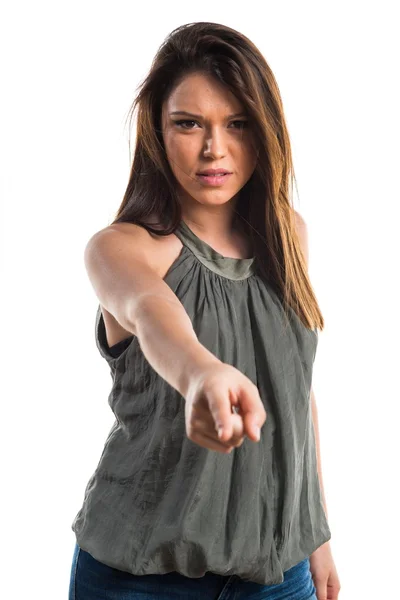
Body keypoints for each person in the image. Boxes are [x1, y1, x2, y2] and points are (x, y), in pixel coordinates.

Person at [68, 21, 341, 600]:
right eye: (189, 123)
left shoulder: (288, 235)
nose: (214, 148)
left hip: (277, 571)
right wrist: (200, 373)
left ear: (264, 132)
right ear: (158, 132)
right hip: (141, 579)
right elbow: (149, 311)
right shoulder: (121, 249)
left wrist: (315, 536)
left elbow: (294, 388)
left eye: (236, 124)